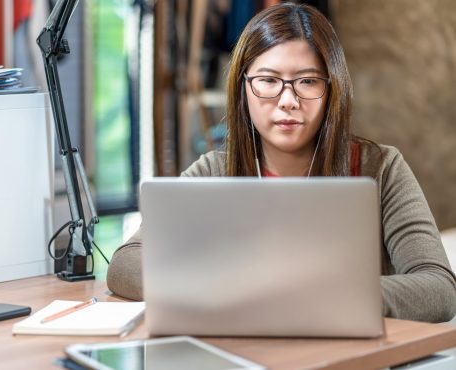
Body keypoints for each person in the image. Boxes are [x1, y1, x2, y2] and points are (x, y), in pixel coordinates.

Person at [107, 2, 456, 323]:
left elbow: (439, 289)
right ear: (244, 88)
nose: (288, 100)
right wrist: (225, 285)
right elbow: (125, 264)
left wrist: (326, 296)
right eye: (269, 81)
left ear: (332, 89)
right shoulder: (214, 171)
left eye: (306, 81)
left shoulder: (380, 168)